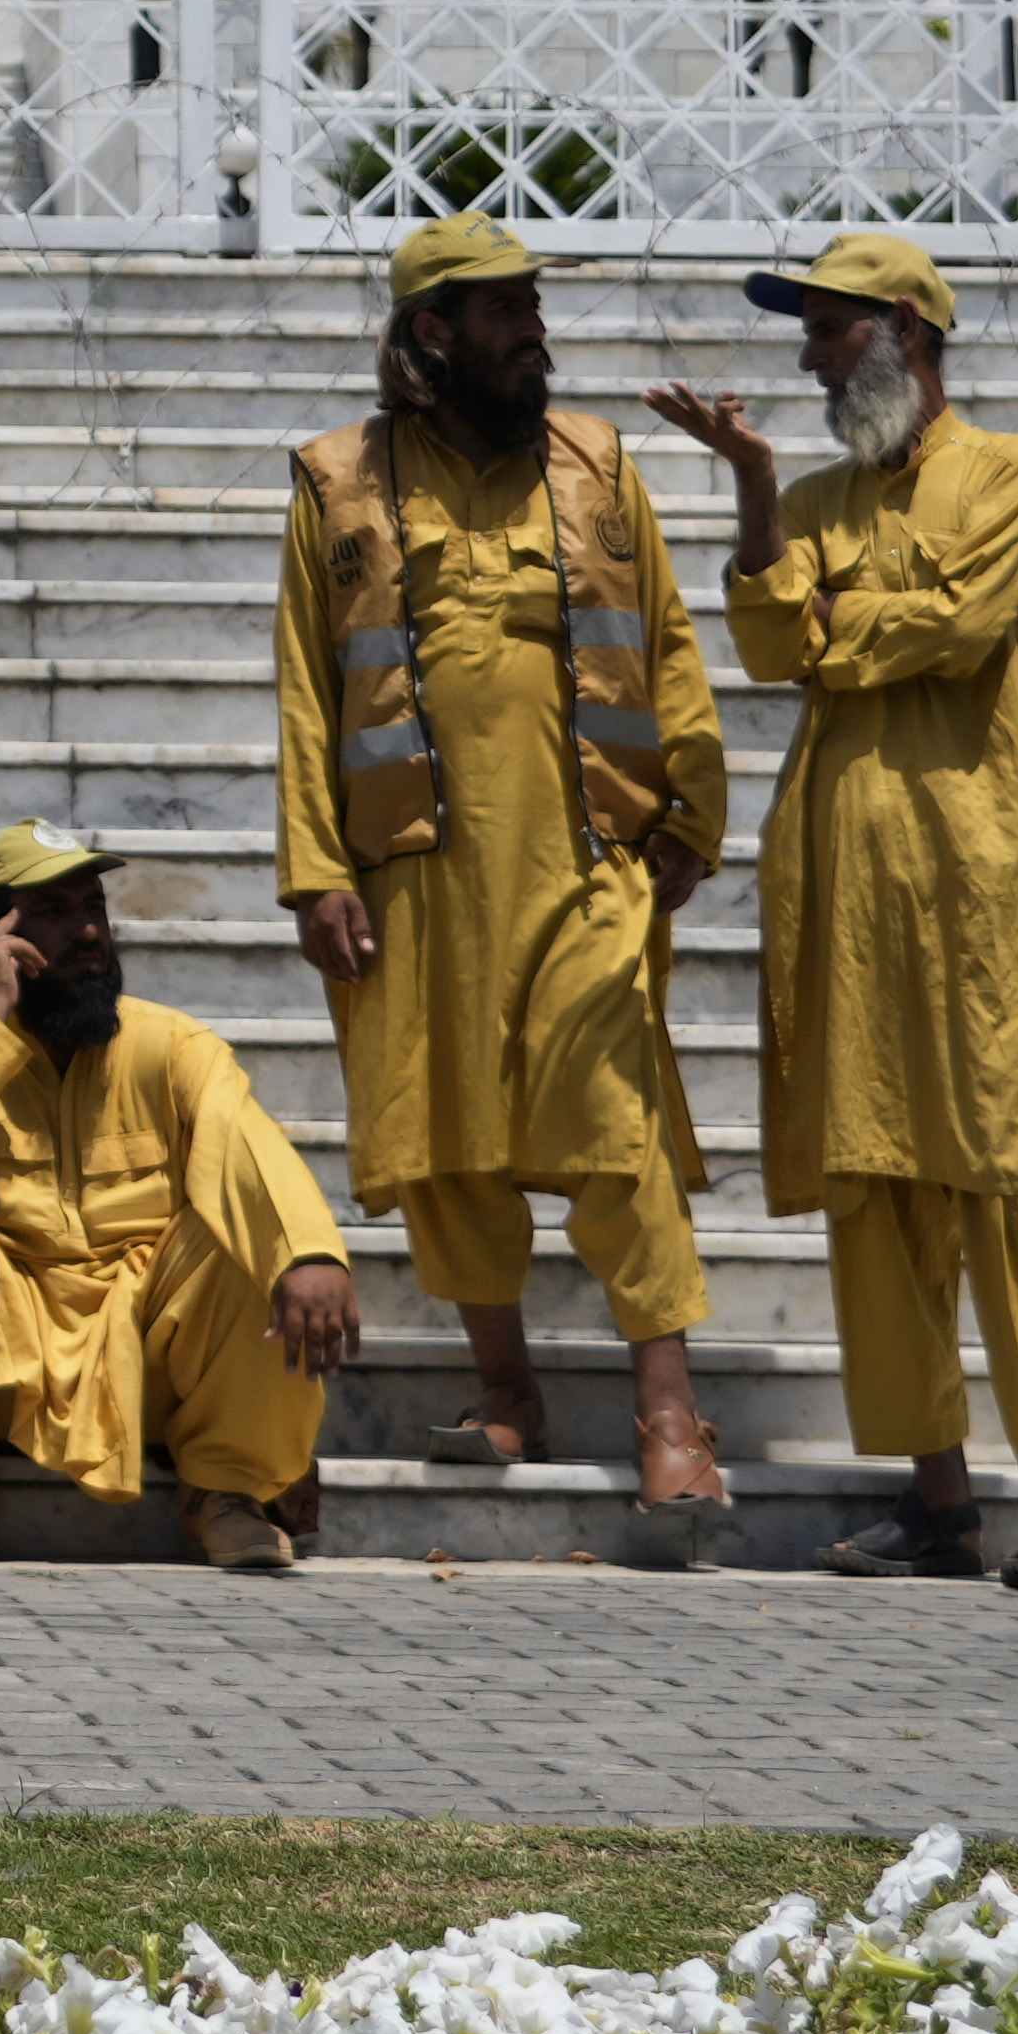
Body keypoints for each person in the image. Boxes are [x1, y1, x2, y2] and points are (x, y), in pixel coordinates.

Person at [654, 225, 1018, 1593]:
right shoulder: (808, 495)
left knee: (1011, 1174)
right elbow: (770, 643)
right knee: (870, 1186)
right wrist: (755, 489)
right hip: (839, 887)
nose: (808, 358)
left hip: (975, 889)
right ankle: (939, 1498)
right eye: (805, 331)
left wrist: (836, 625)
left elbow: (962, 624)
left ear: (906, 329)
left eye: (829, 329)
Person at [277, 212, 736, 1558]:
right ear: (432, 331)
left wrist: (694, 806)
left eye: (535, 304)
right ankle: (507, 1390)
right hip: (414, 864)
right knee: (447, 1135)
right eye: (504, 309)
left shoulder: (599, 460)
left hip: (587, 853)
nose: (533, 328)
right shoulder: (335, 478)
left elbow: (668, 637)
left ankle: (671, 1414)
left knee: (612, 1118)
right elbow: (304, 684)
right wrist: (313, 868)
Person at [0, 822, 360, 1569]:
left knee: (250, 1233)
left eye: (94, 906)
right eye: (54, 911)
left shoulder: (172, 1045)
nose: (87, 930)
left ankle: (223, 1491)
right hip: (9, 1364)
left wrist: (308, 1253)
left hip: (154, 1360)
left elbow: (243, 1148)